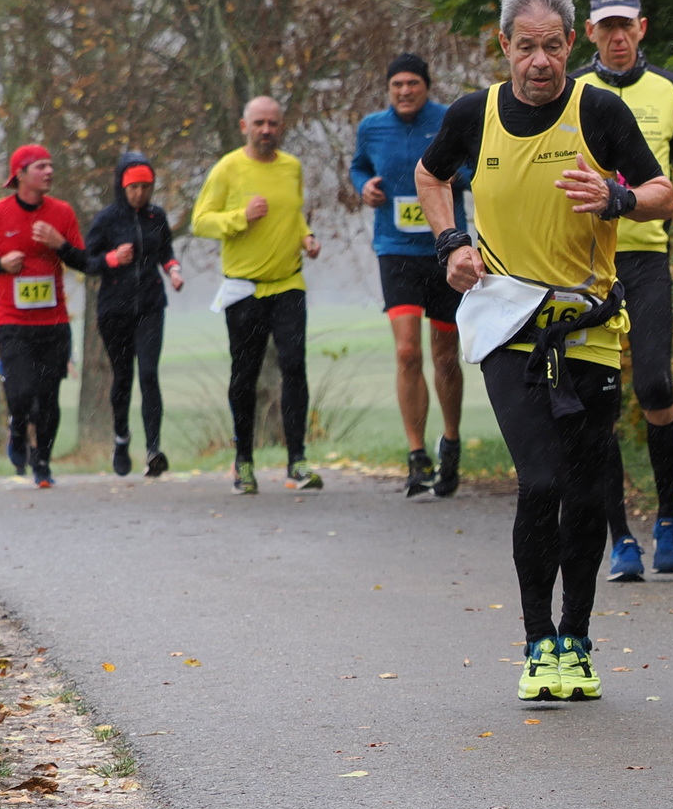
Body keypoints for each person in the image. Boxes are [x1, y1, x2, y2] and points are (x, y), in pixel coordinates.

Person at [415, 0, 673, 703]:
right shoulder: (474, 115)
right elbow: (430, 175)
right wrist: (451, 243)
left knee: (586, 492)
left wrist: (618, 197)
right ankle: (536, 643)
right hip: (509, 323)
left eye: (552, 46)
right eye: (525, 46)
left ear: (570, 45)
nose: (539, 61)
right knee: (543, 481)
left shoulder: (599, 110)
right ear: (504, 45)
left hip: (588, 326)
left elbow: (661, 194)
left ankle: (576, 640)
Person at [574, 0, 673, 579]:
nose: (617, 36)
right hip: (586, 265)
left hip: (646, 259)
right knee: (598, 402)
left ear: (642, 28)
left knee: (655, 386)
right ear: (589, 33)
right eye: (606, 26)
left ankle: (667, 518)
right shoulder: (571, 91)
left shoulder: (670, 88)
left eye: (625, 25)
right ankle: (621, 539)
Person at [0, 145, 133, 487]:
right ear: (20, 175)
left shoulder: (62, 212)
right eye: (41, 166)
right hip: (12, 321)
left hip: (53, 322)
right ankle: (17, 429)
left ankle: (42, 463)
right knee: (20, 393)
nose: (49, 171)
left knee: (48, 397)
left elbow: (84, 262)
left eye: (51, 165)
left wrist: (60, 244)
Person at [351, 52, 469, 499]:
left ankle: (451, 441)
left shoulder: (449, 120)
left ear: (426, 86)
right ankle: (416, 454)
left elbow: (473, 166)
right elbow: (359, 165)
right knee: (406, 352)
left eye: (412, 84)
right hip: (396, 250)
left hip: (444, 250)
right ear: (388, 89)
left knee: (445, 357)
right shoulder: (372, 127)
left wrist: (456, 177)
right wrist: (364, 186)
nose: (404, 91)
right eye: (397, 85)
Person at [192, 96, 324, 495]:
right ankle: (244, 462)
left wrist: (306, 237)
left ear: (282, 126)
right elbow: (200, 222)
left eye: (273, 123)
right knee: (244, 375)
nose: (266, 130)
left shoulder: (291, 167)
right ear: (244, 127)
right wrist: (240, 217)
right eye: (259, 123)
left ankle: (297, 461)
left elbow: (292, 212)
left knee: (294, 367)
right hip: (244, 289)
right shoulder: (227, 168)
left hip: (288, 284)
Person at [81, 151, 184, 476]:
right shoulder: (106, 219)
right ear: (122, 187)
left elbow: (165, 251)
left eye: (146, 187)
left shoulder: (157, 217)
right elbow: (86, 262)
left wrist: (173, 270)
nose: (140, 194)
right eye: (134, 188)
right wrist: (111, 259)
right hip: (115, 310)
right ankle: (121, 438)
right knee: (123, 377)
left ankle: (153, 450)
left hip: (150, 306)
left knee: (149, 374)